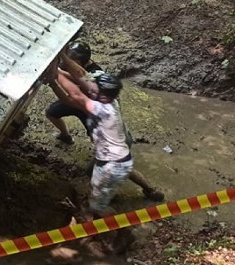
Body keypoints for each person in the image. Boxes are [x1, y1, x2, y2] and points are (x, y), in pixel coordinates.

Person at [45, 42, 165, 202]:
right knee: (126, 167)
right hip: (122, 139)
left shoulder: (98, 109)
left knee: (95, 173)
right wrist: (62, 61)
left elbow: (71, 98)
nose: (91, 87)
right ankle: (151, 190)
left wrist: (54, 81)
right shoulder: (110, 101)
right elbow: (82, 77)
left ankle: (108, 200)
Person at [46, 60, 132, 219]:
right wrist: (58, 67)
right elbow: (82, 80)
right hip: (117, 157)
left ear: (103, 96)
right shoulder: (110, 100)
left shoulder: (103, 110)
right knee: (95, 187)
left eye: (95, 92)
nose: (91, 92)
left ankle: (119, 230)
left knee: (97, 206)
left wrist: (54, 76)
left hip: (112, 164)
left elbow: (75, 96)